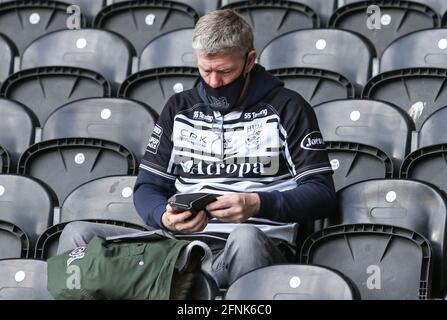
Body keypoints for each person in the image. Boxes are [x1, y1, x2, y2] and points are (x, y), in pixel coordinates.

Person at [57, 9, 337, 289]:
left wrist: (257, 204)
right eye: (206, 70)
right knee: (78, 235)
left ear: (249, 61)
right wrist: (164, 217)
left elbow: (322, 195)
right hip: (178, 250)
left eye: (225, 71)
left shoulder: (288, 108)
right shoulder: (179, 108)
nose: (214, 82)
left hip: (253, 245)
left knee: (245, 237)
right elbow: (147, 188)